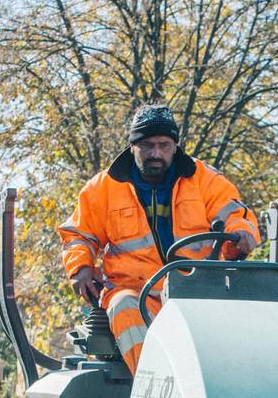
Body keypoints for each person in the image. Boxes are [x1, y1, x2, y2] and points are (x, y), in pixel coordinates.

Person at [59, 103, 260, 372]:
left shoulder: (204, 180)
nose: (156, 153)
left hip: (196, 293)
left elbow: (235, 213)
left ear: (175, 146)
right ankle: (153, 386)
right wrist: (81, 268)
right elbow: (78, 234)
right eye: (147, 145)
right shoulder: (103, 188)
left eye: (164, 145)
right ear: (132, 146)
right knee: (123, 307)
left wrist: (242, 234)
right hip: (134, 292)